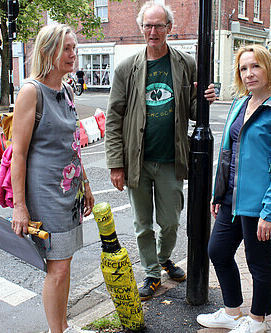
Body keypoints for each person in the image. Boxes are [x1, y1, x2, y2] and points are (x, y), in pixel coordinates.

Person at [105, 1, 216, 301]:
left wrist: (206, 98)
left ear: (169, 28)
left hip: (171, 160)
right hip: (137, 161)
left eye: (159, 25)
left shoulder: (185, 64)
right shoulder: (127, 68)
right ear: (141, 28)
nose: (153, 31)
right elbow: (114, 116)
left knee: (170, 221)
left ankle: (164, 257)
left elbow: (194, 110)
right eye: (148, 26)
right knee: (143, 225)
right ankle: (153, 273)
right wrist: (116, 164)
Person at [196, 44, 271, 333]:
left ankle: (257, 321)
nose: (249, 73)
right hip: (231, 198)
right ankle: (232, 312)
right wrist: (219, 193)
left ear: (268, 67)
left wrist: (270, 211)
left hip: (261, 202)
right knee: (217, 251)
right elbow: (228, 153)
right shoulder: (240, 103)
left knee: (259, 262)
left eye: (255, 66)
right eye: (243, 68)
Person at [10, 24, 94, 333]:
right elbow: (18, 153)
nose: (73, 54)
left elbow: (72, 144)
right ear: (48, 51)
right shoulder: (32, 91)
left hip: (69, 192)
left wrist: (84, 185)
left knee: (65, 263)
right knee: (56, 269)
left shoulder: (67, 88)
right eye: (67, 48)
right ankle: (56, 331)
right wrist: (20, 207)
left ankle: (62, 326)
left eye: (75, 48)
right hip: (45, 194)